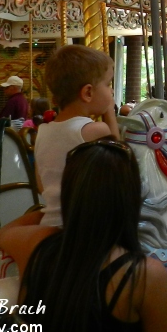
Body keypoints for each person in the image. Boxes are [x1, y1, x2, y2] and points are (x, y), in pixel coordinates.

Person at [0, 139, 167, 332]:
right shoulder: (143, 275)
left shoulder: (38, 244)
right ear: (129, 199)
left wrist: (49, 211)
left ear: (70, 194)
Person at [35, 46, 119, 227]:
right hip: (85, 227)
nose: (111, 92)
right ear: (88, 93)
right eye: (108, 84)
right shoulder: (95, 130)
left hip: (50, 223)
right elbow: (122, 165)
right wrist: (109, 113)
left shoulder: (43, 132)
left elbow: (42, 185)